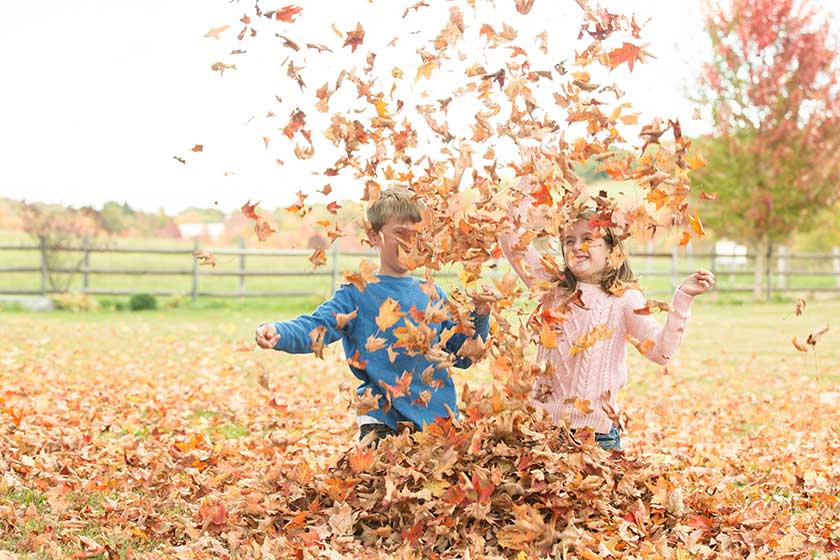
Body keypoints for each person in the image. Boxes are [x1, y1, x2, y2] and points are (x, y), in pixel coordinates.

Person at [255, 187, 491, 442]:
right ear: (374, 236)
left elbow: (465, 354)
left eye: (417, 235)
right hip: (382, 419)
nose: (409, 242)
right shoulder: (357, 293)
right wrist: (280, 332)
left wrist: (480, 315)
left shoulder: (434, 295)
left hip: (437, 419)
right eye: (400, 233)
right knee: (379, 472)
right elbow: (317, 327)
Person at [500, 184, 715, 452]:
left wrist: (683, 298)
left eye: (588, 239)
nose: (577, 246)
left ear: (612, 250)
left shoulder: (623, 299)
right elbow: (511, 240)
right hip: (541, 430)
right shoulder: (553, 288)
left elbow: (661, 352)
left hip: (596, 435)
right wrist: (531, 187)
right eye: (569, 240)